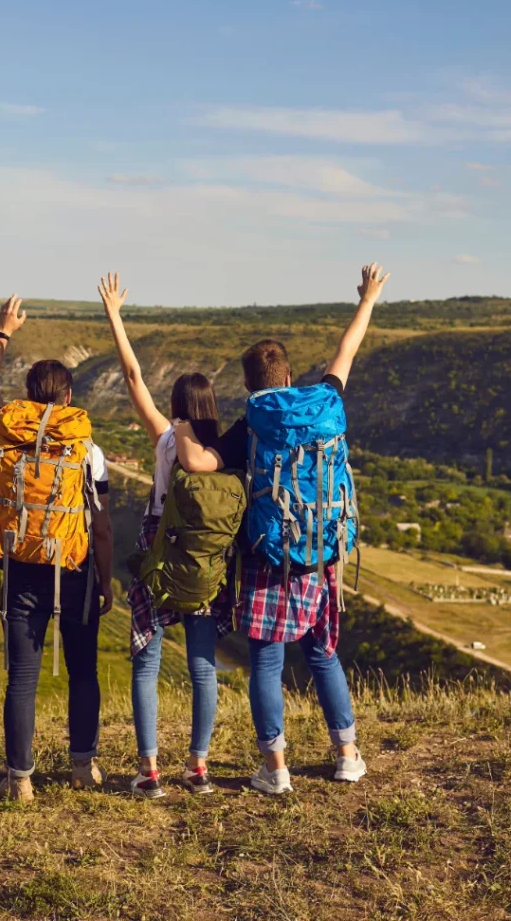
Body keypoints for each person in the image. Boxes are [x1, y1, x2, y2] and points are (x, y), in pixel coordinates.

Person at [176, 263, 391, 794]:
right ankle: (347, 755)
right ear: (291, 377)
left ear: (250, 386)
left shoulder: (253, 422)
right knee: (323, 654)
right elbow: (346, 352)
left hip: (270, 556)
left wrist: (181, 425)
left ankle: (276, 770)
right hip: (322, 551)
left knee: (267, 662)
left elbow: (202, 465)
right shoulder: (325, 401)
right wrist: (366, 300)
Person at [0, 295, 114, 802]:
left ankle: (20, 780)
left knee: (22, 678)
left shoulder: (6, 434)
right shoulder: (87, 449)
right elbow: (100, 524)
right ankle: (82, 767)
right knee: (82, 670)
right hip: (74, 566)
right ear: (70, 395)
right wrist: (106, 577)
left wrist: (2, 332)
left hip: (20, 565)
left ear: (30, 396)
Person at [98, 273, 225, 799]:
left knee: (147, 660)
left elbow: (132, 378)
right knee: (202, 666)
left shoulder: (169, 440)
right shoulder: (224, 450)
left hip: (158, 552)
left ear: (177, 407)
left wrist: (114, 315)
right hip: (206, 560)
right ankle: (198, 768)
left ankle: (149, 771)